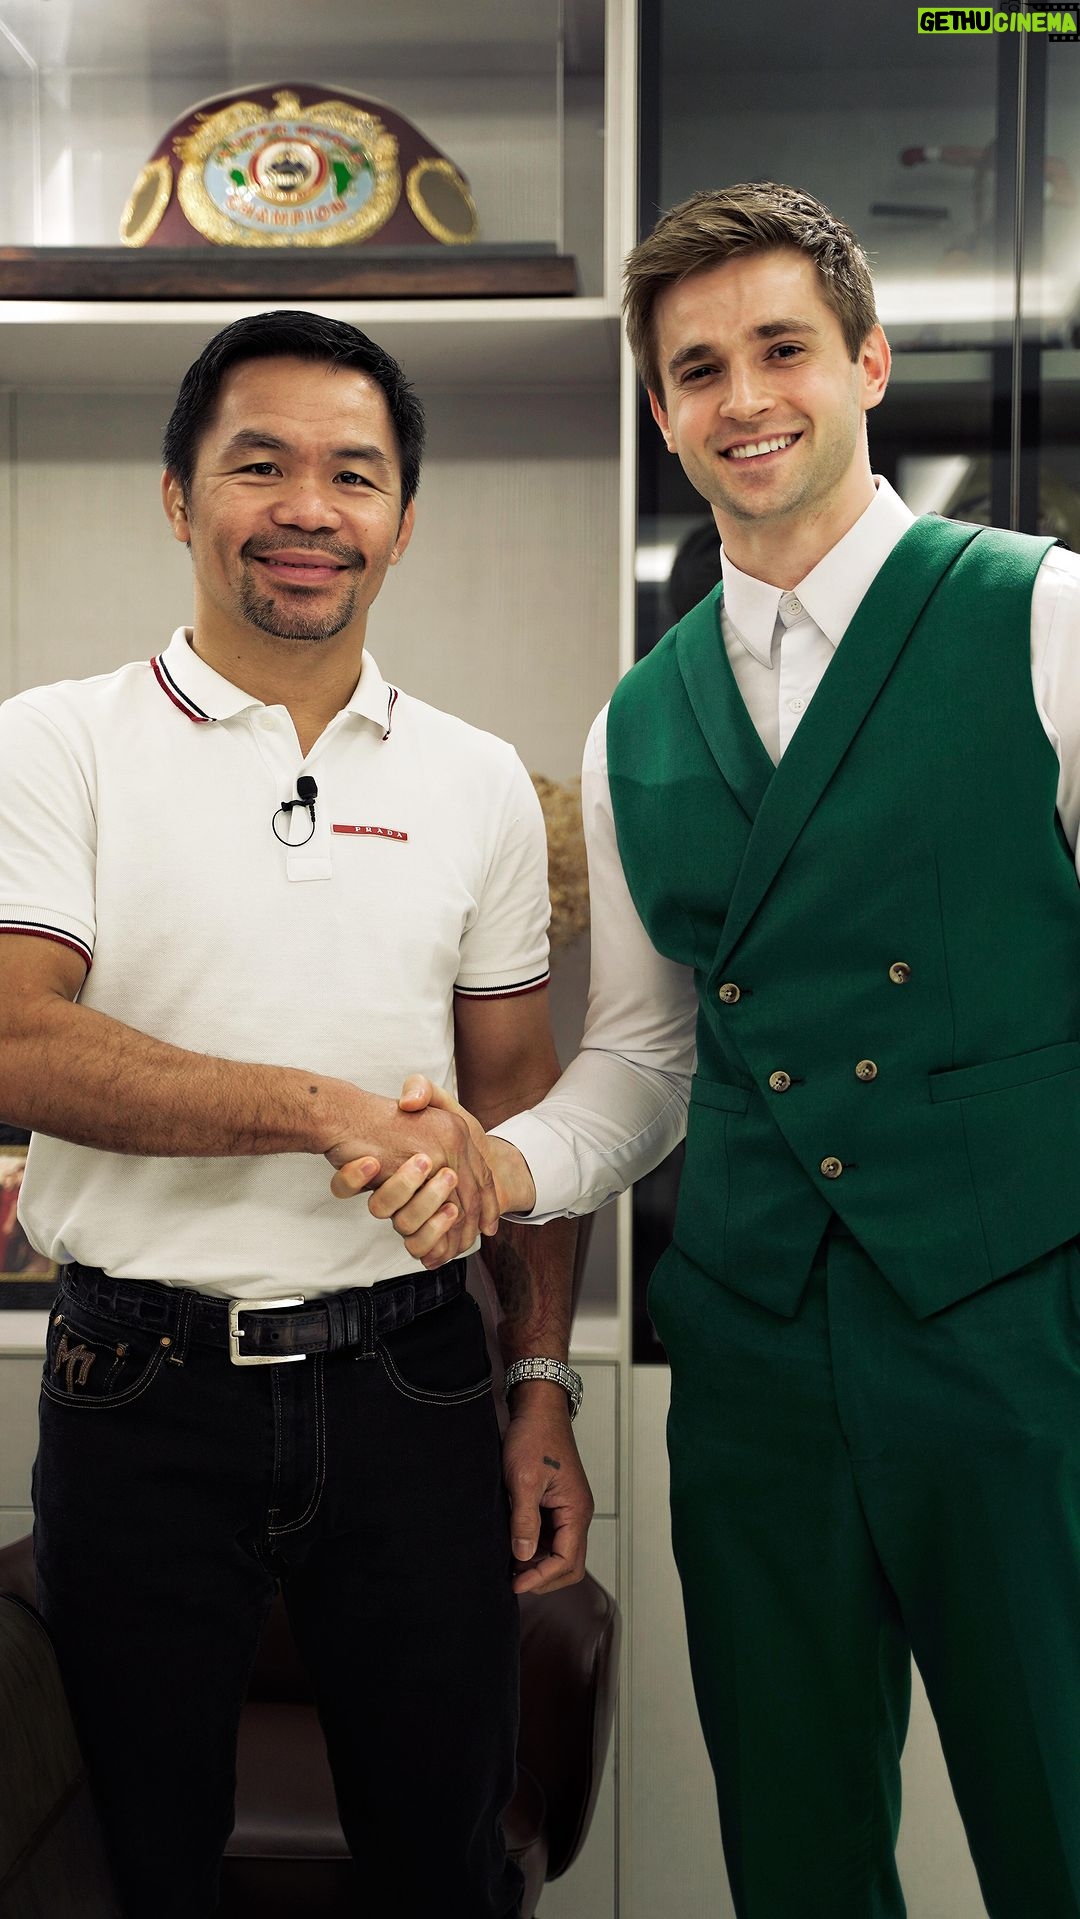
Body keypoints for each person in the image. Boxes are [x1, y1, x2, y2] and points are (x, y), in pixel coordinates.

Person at [354, 184, 1080, 1917]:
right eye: (696, 370)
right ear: (662, 411)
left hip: (1015, 1330)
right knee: (796, 1852)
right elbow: (644, 1059)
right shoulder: (638, 718)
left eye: (782, 349)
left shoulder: (1045, 614)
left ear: (869, 363)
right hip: (755, 1362)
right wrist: (503, 1160)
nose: (743, 397)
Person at [0, 308, 592, 1919]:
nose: (309, 508)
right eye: (259, 466)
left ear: (404, 518)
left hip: (415, 1377)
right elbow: (18, 1041)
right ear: (179, 497)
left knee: (443, 1869)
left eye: (355, 473)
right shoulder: (57, 743)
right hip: (139, 1385)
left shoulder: (478, 780)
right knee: (134, 1871)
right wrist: (325, 1110)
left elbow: (519, 1102)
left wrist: (541, 1380)